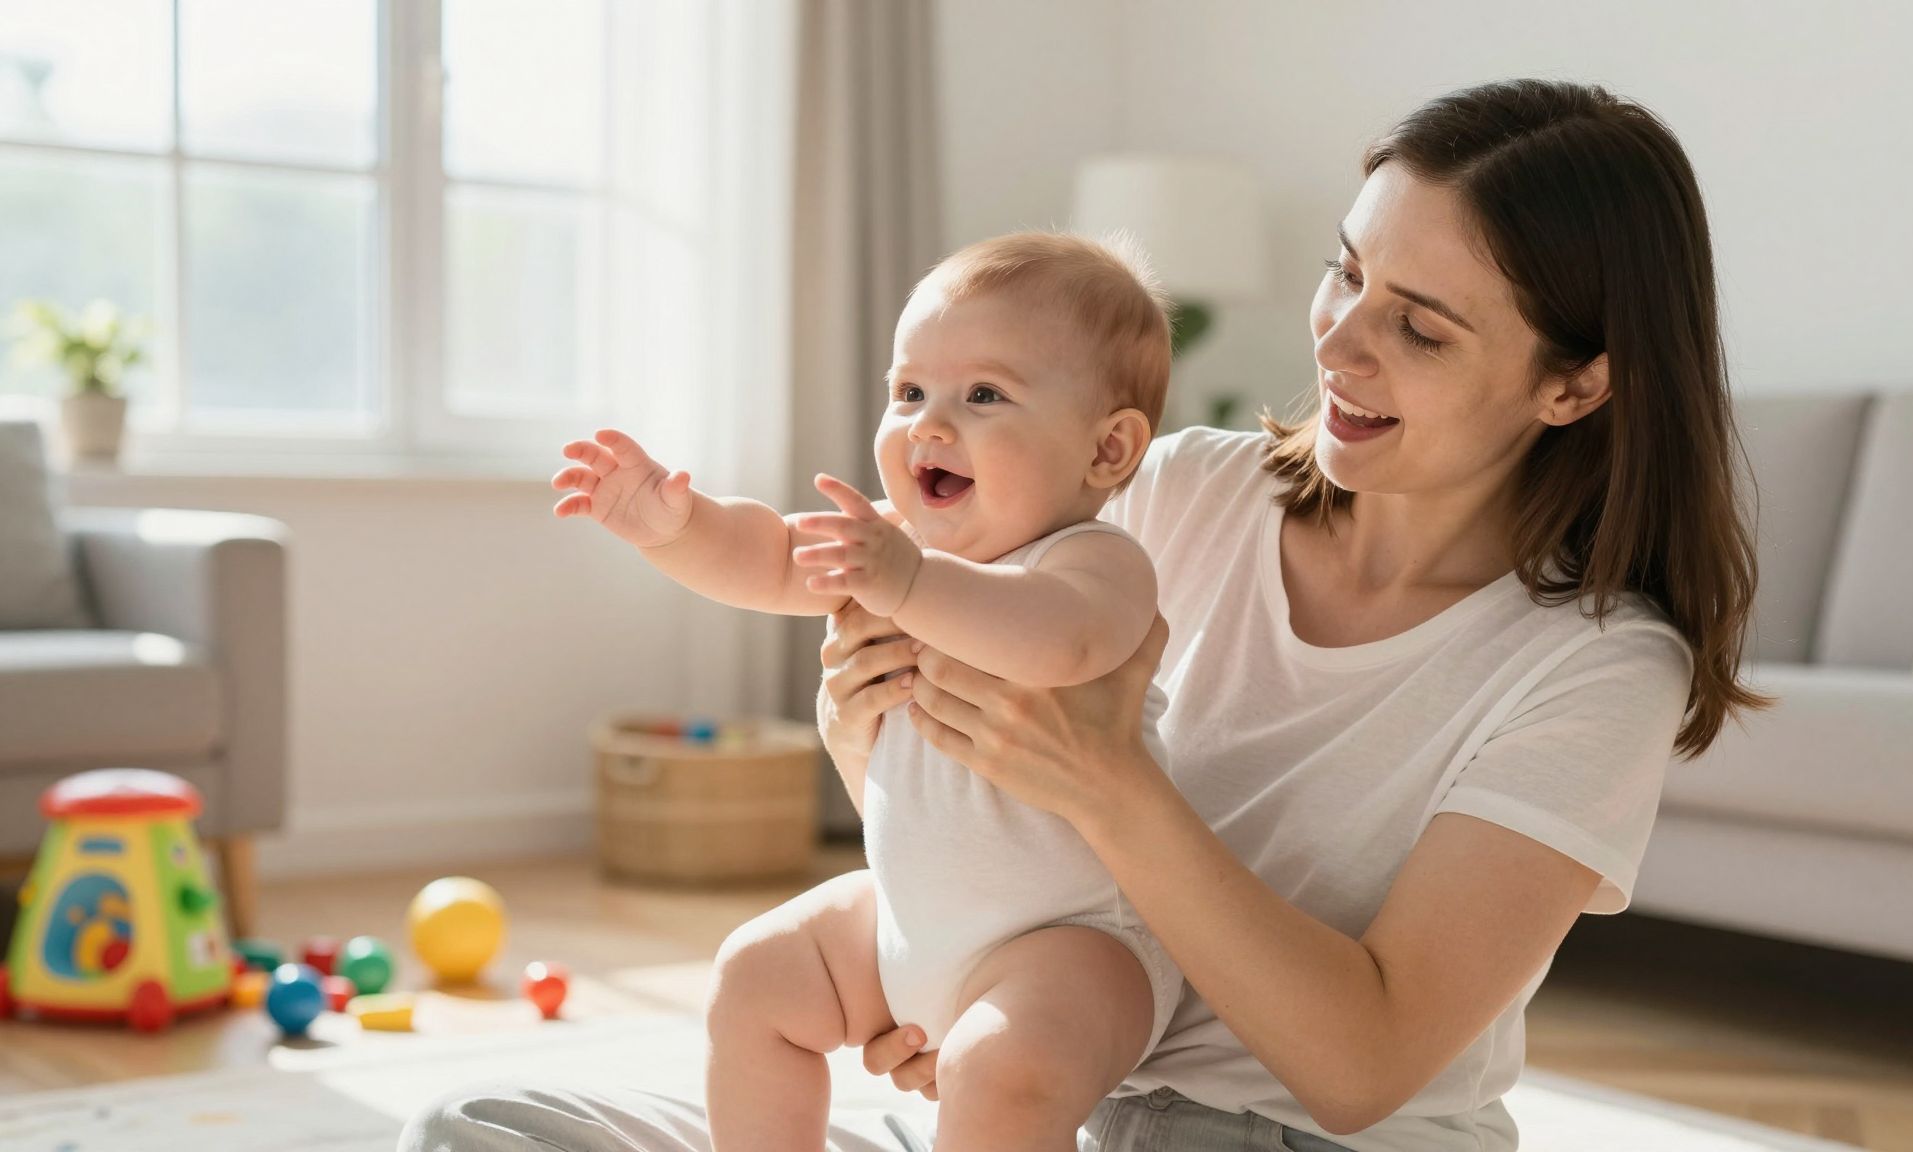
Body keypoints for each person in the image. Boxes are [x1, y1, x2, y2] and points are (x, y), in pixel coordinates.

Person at [402, 77, 1764, 1152]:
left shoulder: (1592, 668)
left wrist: (1108, 796)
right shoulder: (1185, 490)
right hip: (1055, 1091)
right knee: (481, 1128)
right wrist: (921, 888)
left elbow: (1361, 1072)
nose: (1339, 345)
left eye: (1420, 327)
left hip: (1285, 1142)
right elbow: (973, 780)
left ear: (1573, 386)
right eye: (1347, 273)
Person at [545, 232, 1184, 1151]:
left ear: (1107, 448)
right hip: (907, 917)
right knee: (754, 975)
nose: (929, 424)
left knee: (1003, 1074)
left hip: (1080, 943)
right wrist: (675, 528)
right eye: (909, 391)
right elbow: (766, 557)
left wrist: (910, 584)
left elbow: (1060, 639)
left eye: (985, 395)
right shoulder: (888, 544)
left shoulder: (1093, 562)